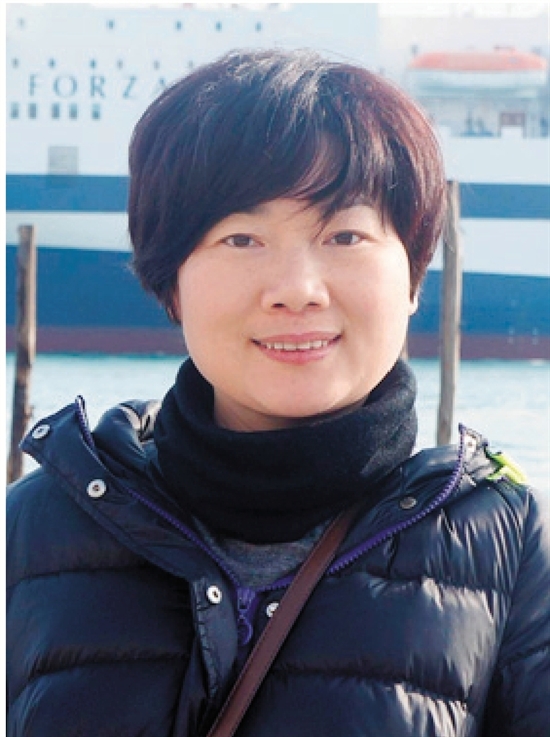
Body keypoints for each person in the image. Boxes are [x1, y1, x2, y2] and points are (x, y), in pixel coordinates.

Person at [6, 49, 549, 737]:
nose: (297, 289)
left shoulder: (509, 542)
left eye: (345, 234)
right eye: (242, 238)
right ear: (171, 283)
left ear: (414, 276)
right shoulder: (35, 526)